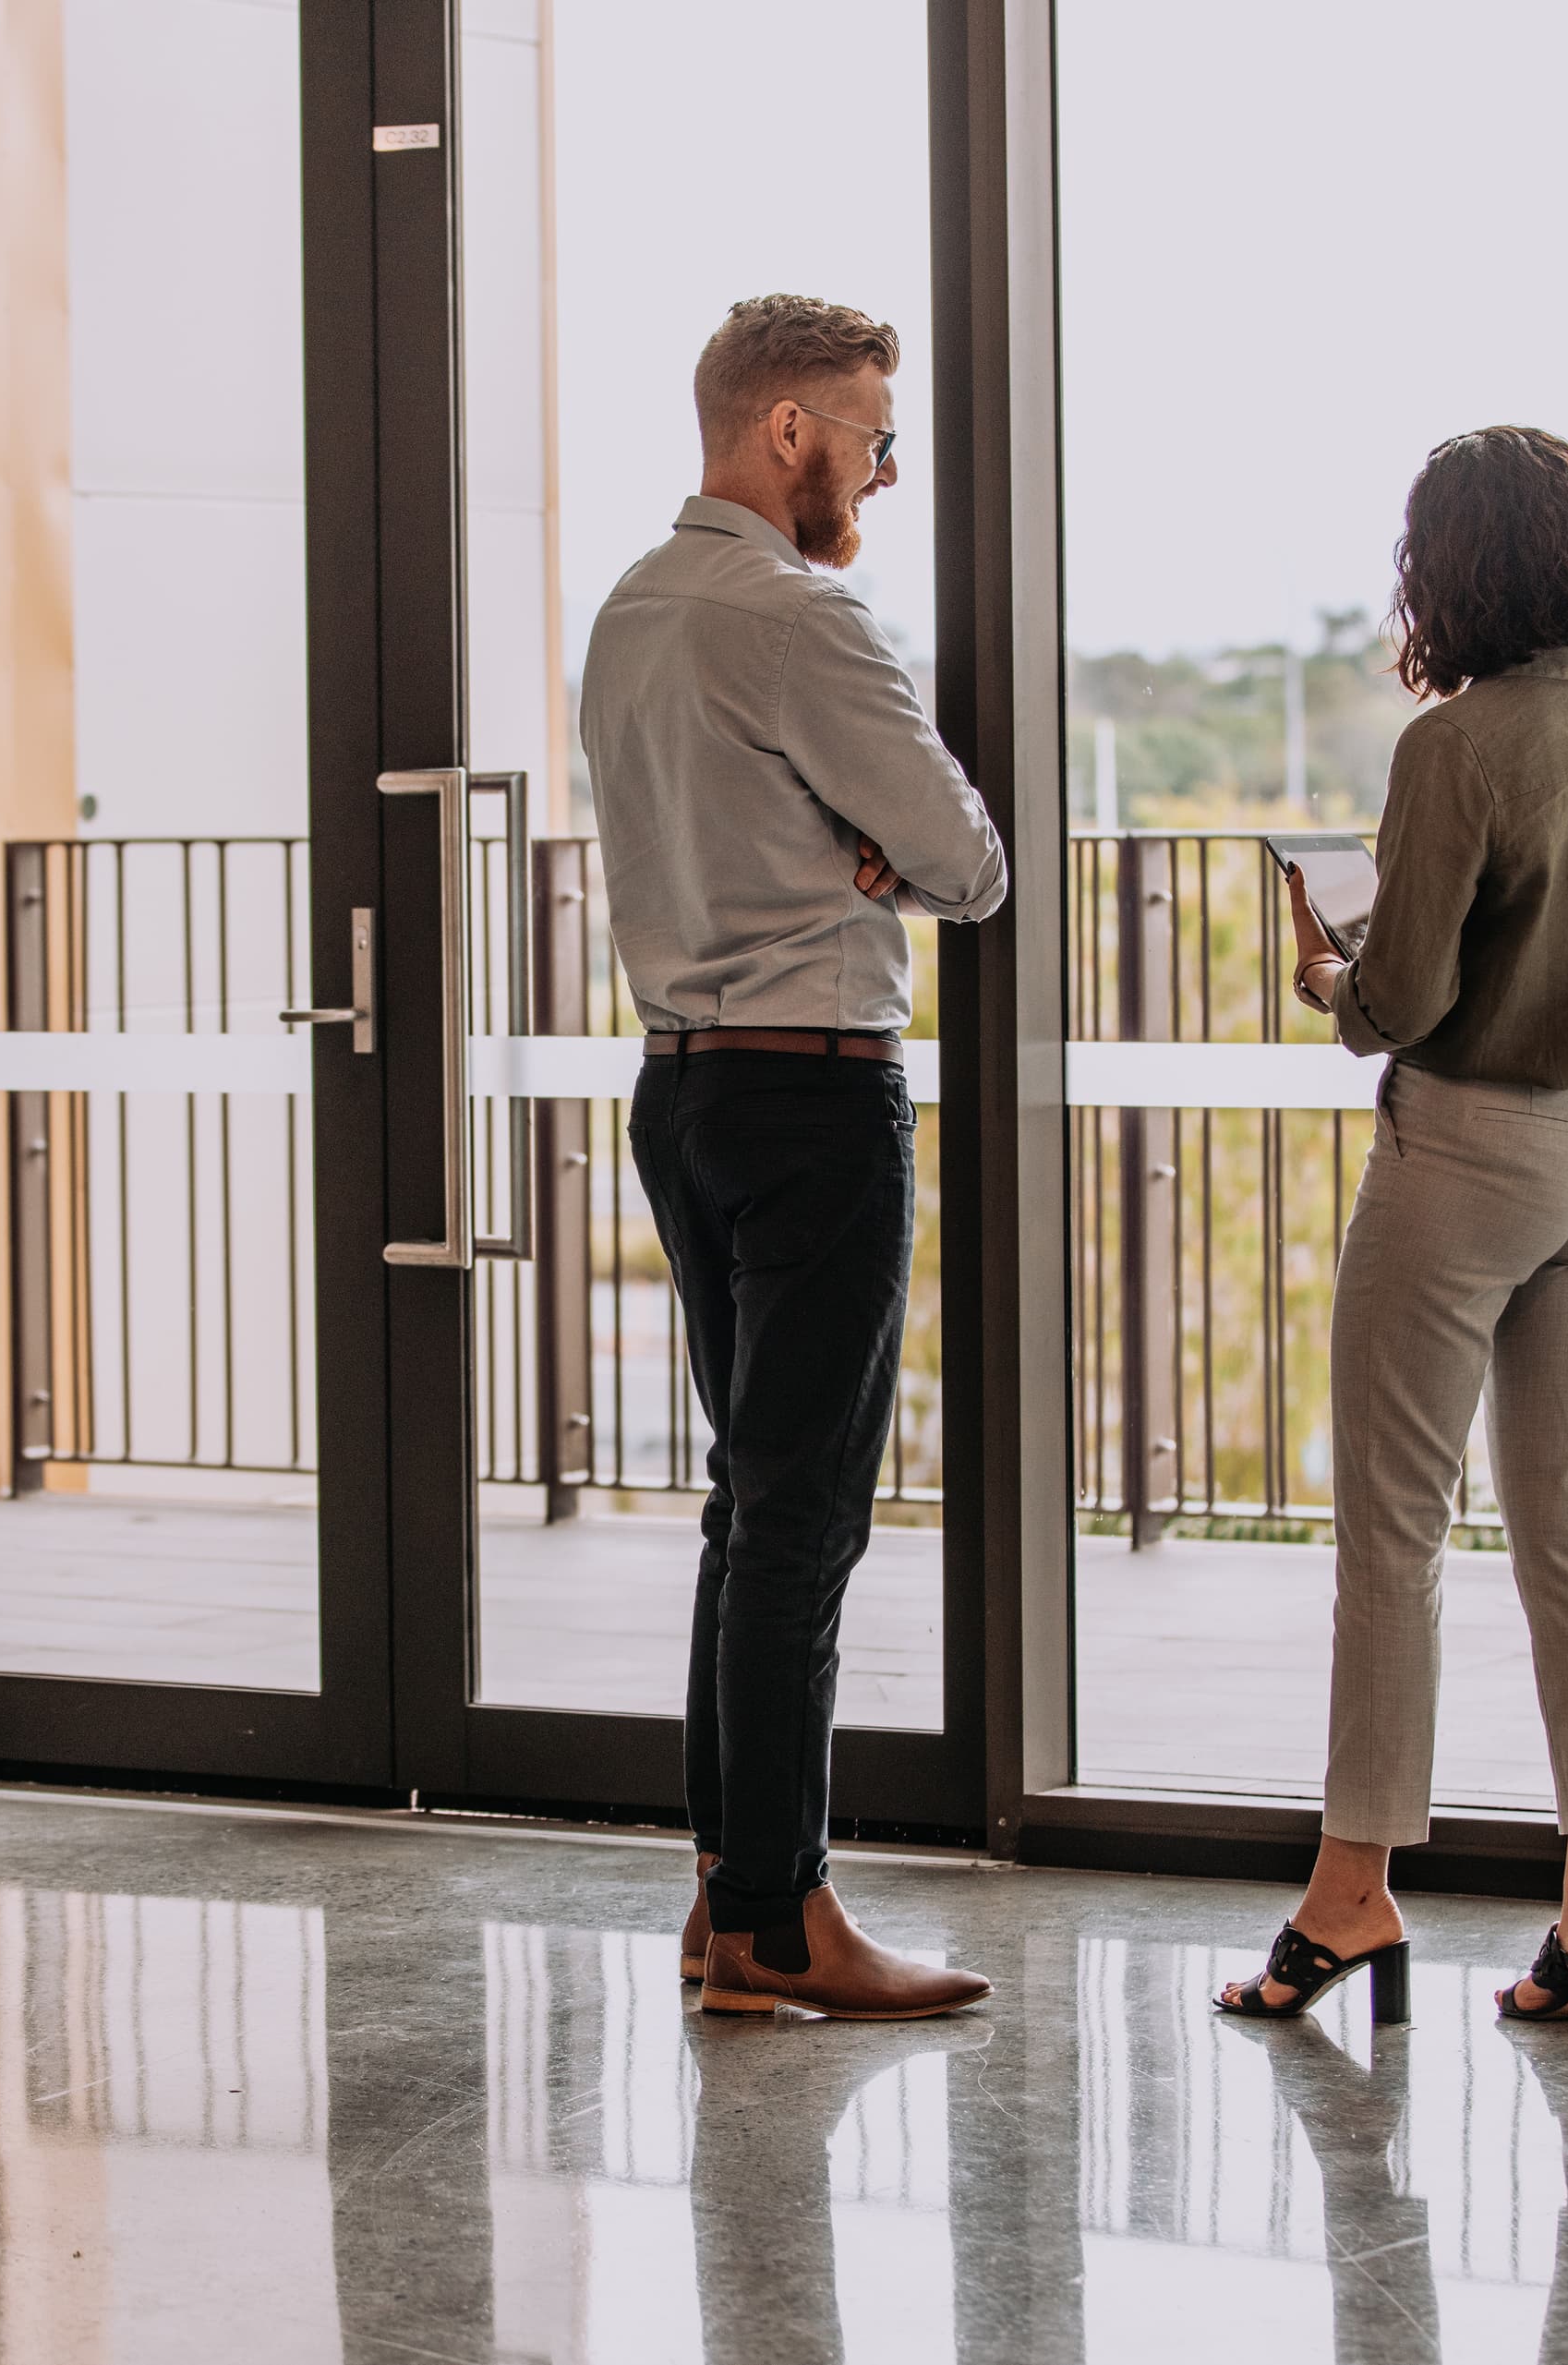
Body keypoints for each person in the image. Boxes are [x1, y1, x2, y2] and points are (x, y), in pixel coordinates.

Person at [1215, 425, 1568, 2038]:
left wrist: (1333, 980)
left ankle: (1351, 1896)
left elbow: (1403, 996)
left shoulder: (1454, 747)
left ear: (1450, 571)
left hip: (1464, 1159)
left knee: (1392, 1537)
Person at [580, 294, 1006, 2019]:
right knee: (803, 1514)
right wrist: (883, 859)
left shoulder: (628, 612)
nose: (882, 474)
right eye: (874, 438)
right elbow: (968, 858)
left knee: (745, 1501)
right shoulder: (804, 617)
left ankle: (724, 1892)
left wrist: (856, 846)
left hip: (680, 1092)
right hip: (818, 1097)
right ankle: (777, 1917)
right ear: (788, 433)